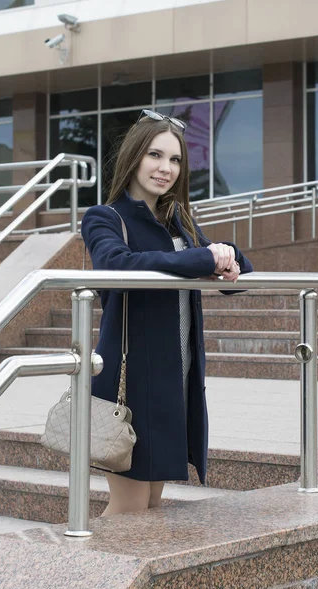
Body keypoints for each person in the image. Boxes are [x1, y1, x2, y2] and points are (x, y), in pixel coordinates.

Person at [81, 109, 253, 516]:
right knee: (130, 508)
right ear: (134, 157)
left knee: (153, 505)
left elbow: (240, 276)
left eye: (175, 159)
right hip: (132, 382)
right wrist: (202, 259)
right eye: (155, 155)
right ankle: (97, 576)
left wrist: (226, 256)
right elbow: (117, 265)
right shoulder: (106, 218)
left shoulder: (178, 221)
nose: (165, 168)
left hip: (176, 379)